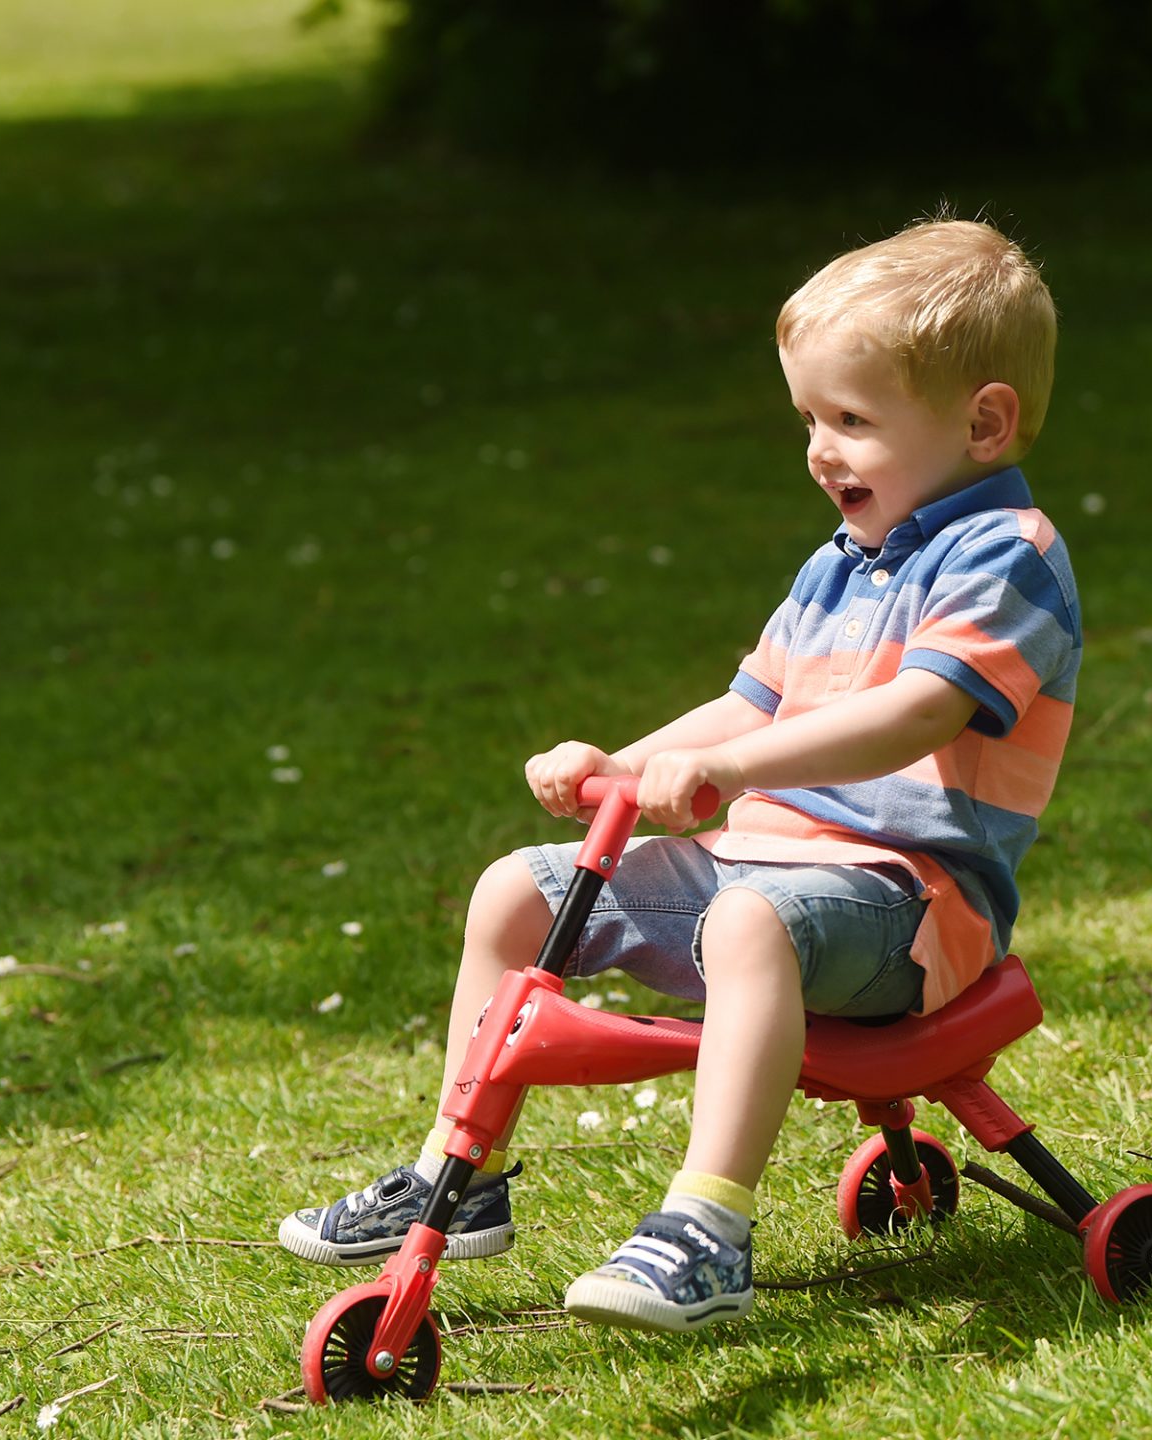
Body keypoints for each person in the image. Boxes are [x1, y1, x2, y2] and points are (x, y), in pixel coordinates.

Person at [278, 217, 1080, 1334]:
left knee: (751, 919)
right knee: (520, 889)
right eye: (809, 417)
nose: (819, 449)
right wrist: (630, 762)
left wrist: (730, 768)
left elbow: (917, 714)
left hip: (912, 910)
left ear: (983, 422)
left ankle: (708, 1228)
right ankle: (457, 1178)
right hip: (768, 876)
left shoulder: (1009, 556)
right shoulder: (839, 567)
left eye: (853, 420)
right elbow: (747, 704)